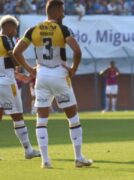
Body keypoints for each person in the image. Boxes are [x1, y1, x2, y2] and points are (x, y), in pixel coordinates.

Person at [13, 0, 92, 168]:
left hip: (41, 76)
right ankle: (78, 158)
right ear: (56, 11)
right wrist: (73, 69)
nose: (63, 14)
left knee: (41, 120)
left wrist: (30, 70)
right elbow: (77, 51)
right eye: (62, 11)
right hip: (59, 74)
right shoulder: (63, 29)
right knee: (73, 118)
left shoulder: (33, 30)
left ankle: (45, 160)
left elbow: (16, 51)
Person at [0, 15, 41, 159]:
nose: (15, 32)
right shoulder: (5, 39)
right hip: (6, 85)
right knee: (17, 116)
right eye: (15, 28)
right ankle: (28, 150)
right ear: (9, 26)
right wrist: (29, 69)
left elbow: (4, 65)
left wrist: (17, 74)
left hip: (3, 81)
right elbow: (13, 58)